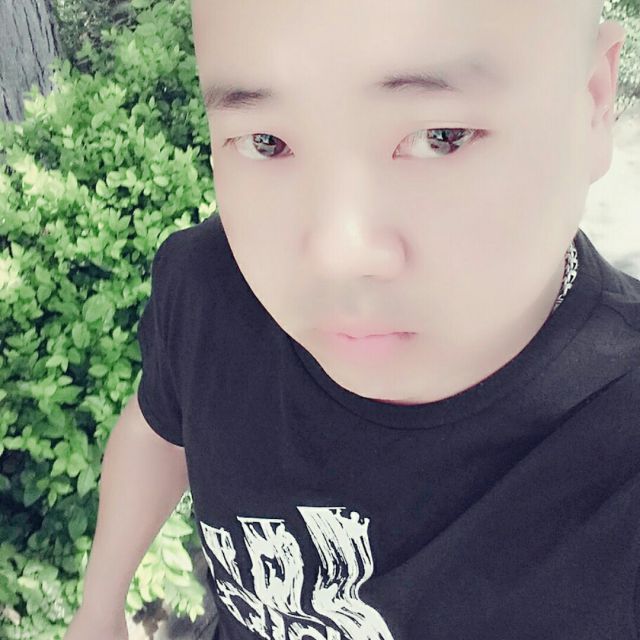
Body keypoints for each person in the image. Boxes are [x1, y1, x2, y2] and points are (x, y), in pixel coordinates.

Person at [66, 1, 640, 639]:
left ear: (593, 103)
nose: (338, 252)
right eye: (266, 142)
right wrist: (99, 608)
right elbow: (159, 427)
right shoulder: (211, 287)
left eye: (440, 136)